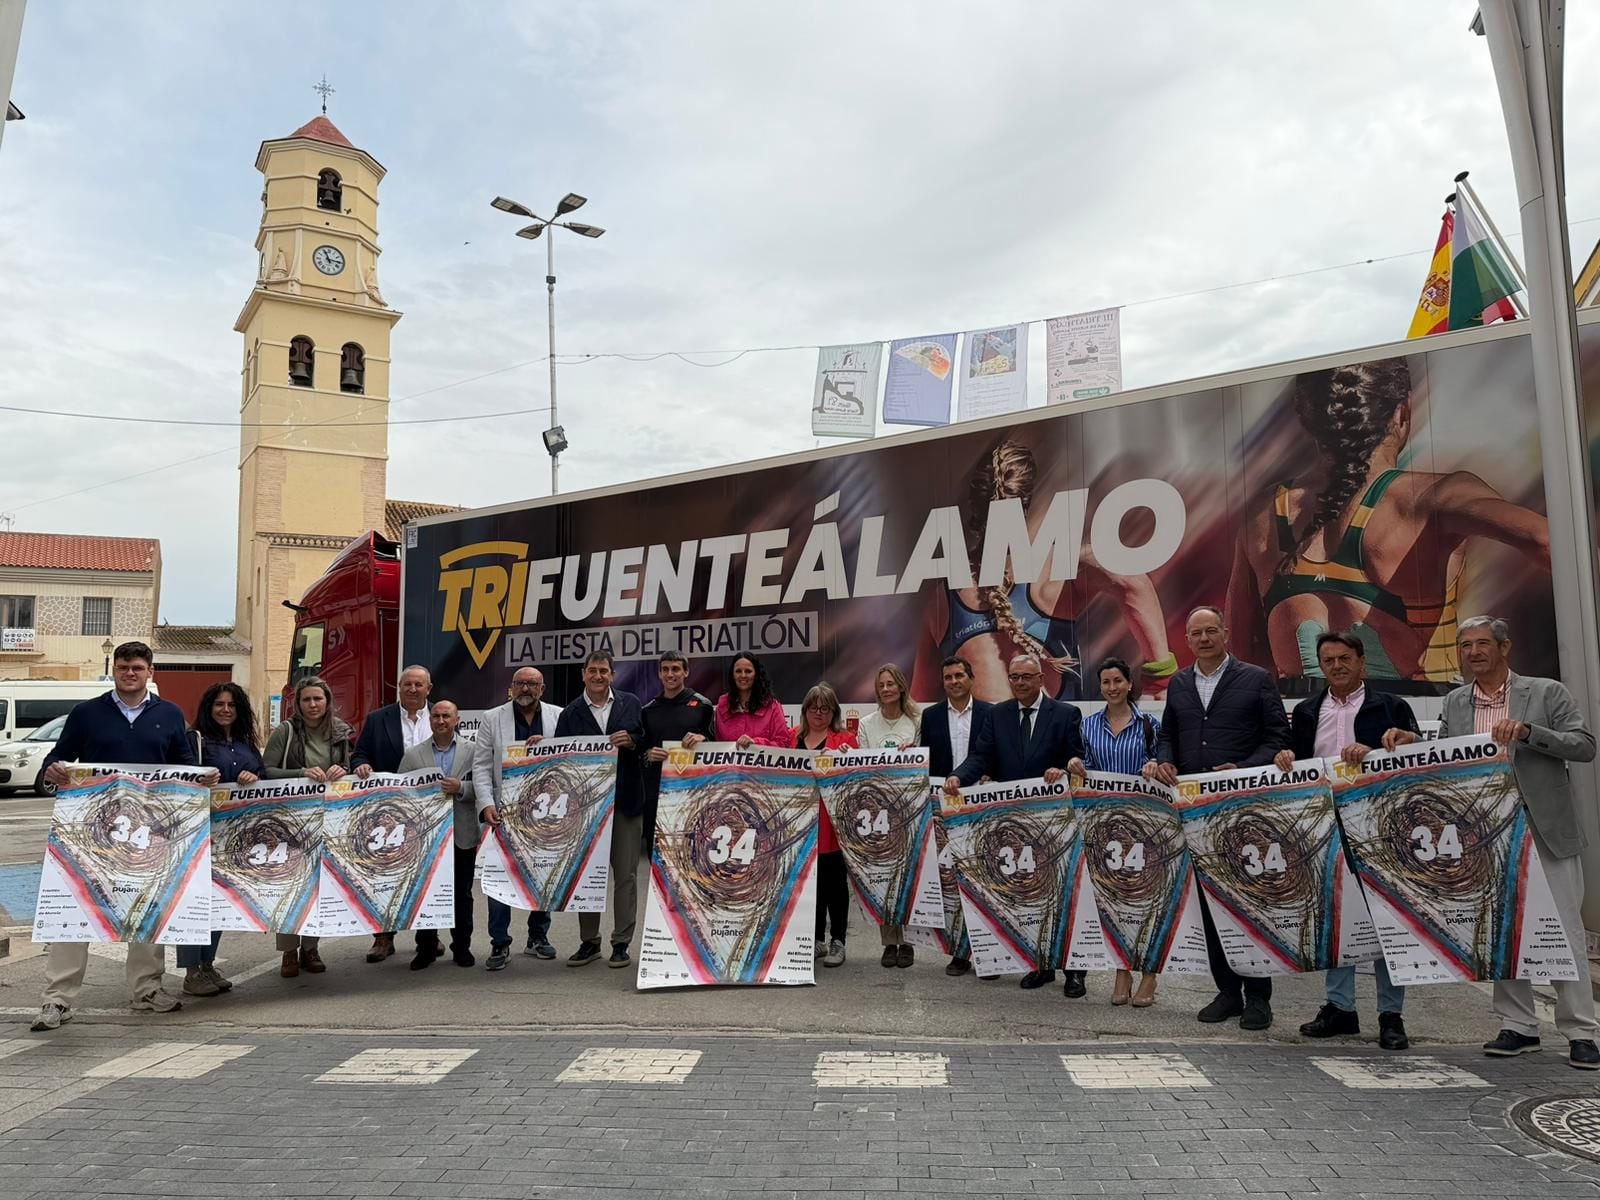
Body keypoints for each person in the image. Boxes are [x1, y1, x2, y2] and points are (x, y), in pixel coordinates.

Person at [1228, 357, 1550, 685]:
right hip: (1415, 716)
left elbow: (1242, 648)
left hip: (1306, 714)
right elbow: (1545, 540)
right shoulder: (1430, 498)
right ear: (1402, 413)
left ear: (1308, 419)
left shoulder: (1263, 514)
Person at [1426, 616, 1598, 1070]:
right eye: (1466, 646)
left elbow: (1584, 745)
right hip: (1487, 836)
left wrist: (1528, 733)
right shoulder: (1455, 701)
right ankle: (1518, 1025)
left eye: (1483, 643)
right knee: (1502, 929)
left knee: (1564, 930)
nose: (1474, 653)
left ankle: (1581, 1030)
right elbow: (1446, 758)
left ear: (1505, 647)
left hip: (1543, 829)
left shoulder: (1545, 692)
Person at [30, 641, 215, 1033]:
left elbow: (184, 766)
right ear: (114, 670)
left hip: (150, 833)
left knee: (146, 907)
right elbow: (55, 759)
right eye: (123, 667)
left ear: (150, 672)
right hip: (90, 832)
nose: (130, 673)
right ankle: (57, 998)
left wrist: (202, 779)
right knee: (74, 908)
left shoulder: (169, 714)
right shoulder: (86, 713)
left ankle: (146, 990)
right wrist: (54, 770)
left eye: (137, 667)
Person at [910, 437, 1176, 704]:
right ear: (1029, 505)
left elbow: (919, 702)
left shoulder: (945, 598)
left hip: (985, 730)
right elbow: (1132, 582)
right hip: (1051, 729)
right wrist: (1160, 681)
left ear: (975, 511)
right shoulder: (1054, 570)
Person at [1272, 631, 1419, 1049]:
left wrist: (1391, 744)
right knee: (1336, 917)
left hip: (1379, 828)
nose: (1336, 666)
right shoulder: (1305, 711)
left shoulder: (1391, 706)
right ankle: (1340, 1008)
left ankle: (1391, 1014)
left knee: (1387, 919)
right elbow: (1295, 761)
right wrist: (1284, 757)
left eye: (1344, 658)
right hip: (1324, 827)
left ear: (1361, 661)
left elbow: (1417, 753)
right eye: (1328, 660)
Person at [1145, 606, 1290, 1032]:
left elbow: (1278, 738)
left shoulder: (1256, 678)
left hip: (1242, 809)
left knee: (1249, 901)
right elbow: (1168, 734)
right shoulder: (1179, 682)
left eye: (1211, 631)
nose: (1204, 639)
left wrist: (1242, 768)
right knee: (1209, 905)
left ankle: (1258, 997)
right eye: (1197, 633)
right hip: (1193, 813)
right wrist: (1165, 759)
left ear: (1225, 633)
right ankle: (1227, 991)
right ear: (1187, 640)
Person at [948, 651, 1086, 996]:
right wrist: (958, 777)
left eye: (1026, 676)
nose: (1020, 683)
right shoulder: (998, 715)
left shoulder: (1065, 714)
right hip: (1014, 825)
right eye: (1014, 677)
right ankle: (1040, 965)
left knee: (1063, 894)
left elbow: (1078, 757)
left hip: (1055, 823)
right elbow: (981, 756)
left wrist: (1064, 769)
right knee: (1029, 894)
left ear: (1041, 678)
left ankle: (1075, 971)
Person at [1067, 657, 1163, 1008]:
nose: (1112, 687)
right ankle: (1122, 969)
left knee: (1147, 899)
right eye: (1106, 682)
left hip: (1144, 827)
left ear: (1129, 684)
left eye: (1118, 681)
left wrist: (1156, 765)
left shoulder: (1150, 725)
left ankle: (1149, 972)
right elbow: (1086, 770)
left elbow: (1166, 764)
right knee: (1114, 901)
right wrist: (1076, 765)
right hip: (1105, 828)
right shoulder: (1088, 726)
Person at [554, 652, 646, 968]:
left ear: (612, 674)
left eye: (603, 671)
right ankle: (589, 941)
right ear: (583, 674)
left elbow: (645, 740)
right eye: (592, 670)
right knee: (588, 876)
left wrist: (632, 740)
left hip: (626, 803)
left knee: (626, 877)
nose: (597, 676)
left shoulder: (631, 703)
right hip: (587, 809)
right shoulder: (570, 713)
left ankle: (621, 943)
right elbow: (560, 761)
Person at [472, 666, 564, 968]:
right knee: (500, 879)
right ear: (511, 687)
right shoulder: (492, 718)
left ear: (542, 688)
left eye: (532, 684)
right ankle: (499, 943)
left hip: (546, 812)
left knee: (543, 874)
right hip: (503, 812)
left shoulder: (558, 716)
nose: (525, 689)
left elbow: (567, 760)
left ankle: (538, 936)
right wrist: (486, 804)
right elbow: (481, 766)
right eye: (520, 683)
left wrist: (548, 747)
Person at [263, 675, 355, 979]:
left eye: (318, 699)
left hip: (327, 818)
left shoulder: (340, 732)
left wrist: (344, 770)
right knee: (291, 885)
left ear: (327, 701)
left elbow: (350, 770)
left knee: (319, 884)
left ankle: (311, 948)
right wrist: (301, 773)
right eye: (306, 699)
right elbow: (266, 770)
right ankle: (289, 951)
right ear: (298, 703)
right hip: (290, 818)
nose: (313, 704)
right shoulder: (285, 731)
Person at [179, 682, 266, 999]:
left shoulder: (246, 744)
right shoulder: (196, 741)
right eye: (219, 704)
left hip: (235, 837)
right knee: (196, 901)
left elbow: (264, 779)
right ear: (209, 708)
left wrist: (254, 777)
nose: (225, 710)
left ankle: (208, 964)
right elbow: (180, 777)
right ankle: (191, 972)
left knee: (220, 902)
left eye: (231, 705)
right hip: (201, 833)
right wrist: (199, 778)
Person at [351, 664, 434, 964]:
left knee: (427, 874)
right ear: (399, 687)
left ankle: (429, 937)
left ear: (429, 689)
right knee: (384, 874)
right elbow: (359, 754)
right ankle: (383, 938)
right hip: (386, 812)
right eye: (406, 684)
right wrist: (361, 765)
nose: (412, 689)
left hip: (429, 810)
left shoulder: (440, 715)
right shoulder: (378, 719)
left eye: (418, 685)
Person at [919, 655, 994, 975]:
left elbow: (993, 754)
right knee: (953, 883)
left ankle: (989, 953)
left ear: (971, 678)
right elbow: (926, 762)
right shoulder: (931, 716)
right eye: (948, 677)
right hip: (944, 811)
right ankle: (961, 954)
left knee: (984, 881)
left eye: (959, 675)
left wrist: (992, 775)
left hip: (980, 808)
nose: (954, 681)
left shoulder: (991, 713)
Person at [398, 699, 479, 970]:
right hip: (426, 838)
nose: (441, 721)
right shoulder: (413, 755)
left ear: (457, 720)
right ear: (430, 720)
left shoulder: (474, 751)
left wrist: (462, 788)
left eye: (446, 716)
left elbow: (487, 786)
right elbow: (400, 795)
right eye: (436, 716)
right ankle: (426, 948)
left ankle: (462, 948)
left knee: (462, 895)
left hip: (461, 834)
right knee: (426, 892)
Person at [859, 663, 922, 968]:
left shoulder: (917, 720)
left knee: (907, 878)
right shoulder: (866, 724)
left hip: (909, 810)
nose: (886, 689)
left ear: (901, 687)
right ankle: (889, 942)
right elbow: (862, 767)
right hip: (877, 812)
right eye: (881, 685)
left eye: (890, 684)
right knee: (883, 878)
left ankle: (907, 941)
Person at [793, 682, 859, 968]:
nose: (818, 713)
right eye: (813, 707)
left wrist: (848, 758)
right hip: (800, 824)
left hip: (832, 824)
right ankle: (817, 938)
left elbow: (857, 779)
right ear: (805, 710)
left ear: (834, 712)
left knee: (835, 885)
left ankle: (838, 940)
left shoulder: (845, 740)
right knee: (811, 884)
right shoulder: (791, 738)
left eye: (825, 708)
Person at [640, 651, 717, 853]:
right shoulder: (648, 710)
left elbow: (718, 748)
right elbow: (640, 752)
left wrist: (704, 740)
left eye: (675, 669)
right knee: (657, 855)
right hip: (657, 795)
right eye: (665, 669)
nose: (670, 674)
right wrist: (648, 755)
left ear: (686, 672)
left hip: (693, 794)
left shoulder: (703, 705)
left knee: (693, 854)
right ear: (659, 674)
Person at [713, 653, 789, 749]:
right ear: (732, 675)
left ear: (756, 674)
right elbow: (716, 744)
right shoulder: (722, 706)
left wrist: (756, 743)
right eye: (738, 671)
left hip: (762, 759)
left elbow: (784, 743)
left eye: (748, 671)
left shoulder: (772, 706)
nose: (743, 675)